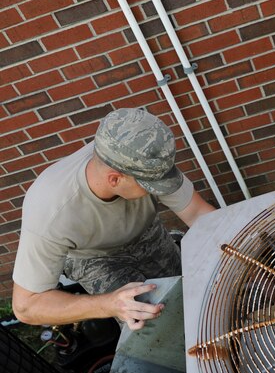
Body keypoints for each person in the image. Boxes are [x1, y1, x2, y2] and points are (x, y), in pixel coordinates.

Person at [12, 108, 216, 331]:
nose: (159, 190)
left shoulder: (142, 155)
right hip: (93, 257)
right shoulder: (50, 211)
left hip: (145, 231)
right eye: (151, 187)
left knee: (189, 291)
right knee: (149, 323)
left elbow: (198, 214)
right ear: (115, 179)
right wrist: (109, 305)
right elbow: (25, 306)